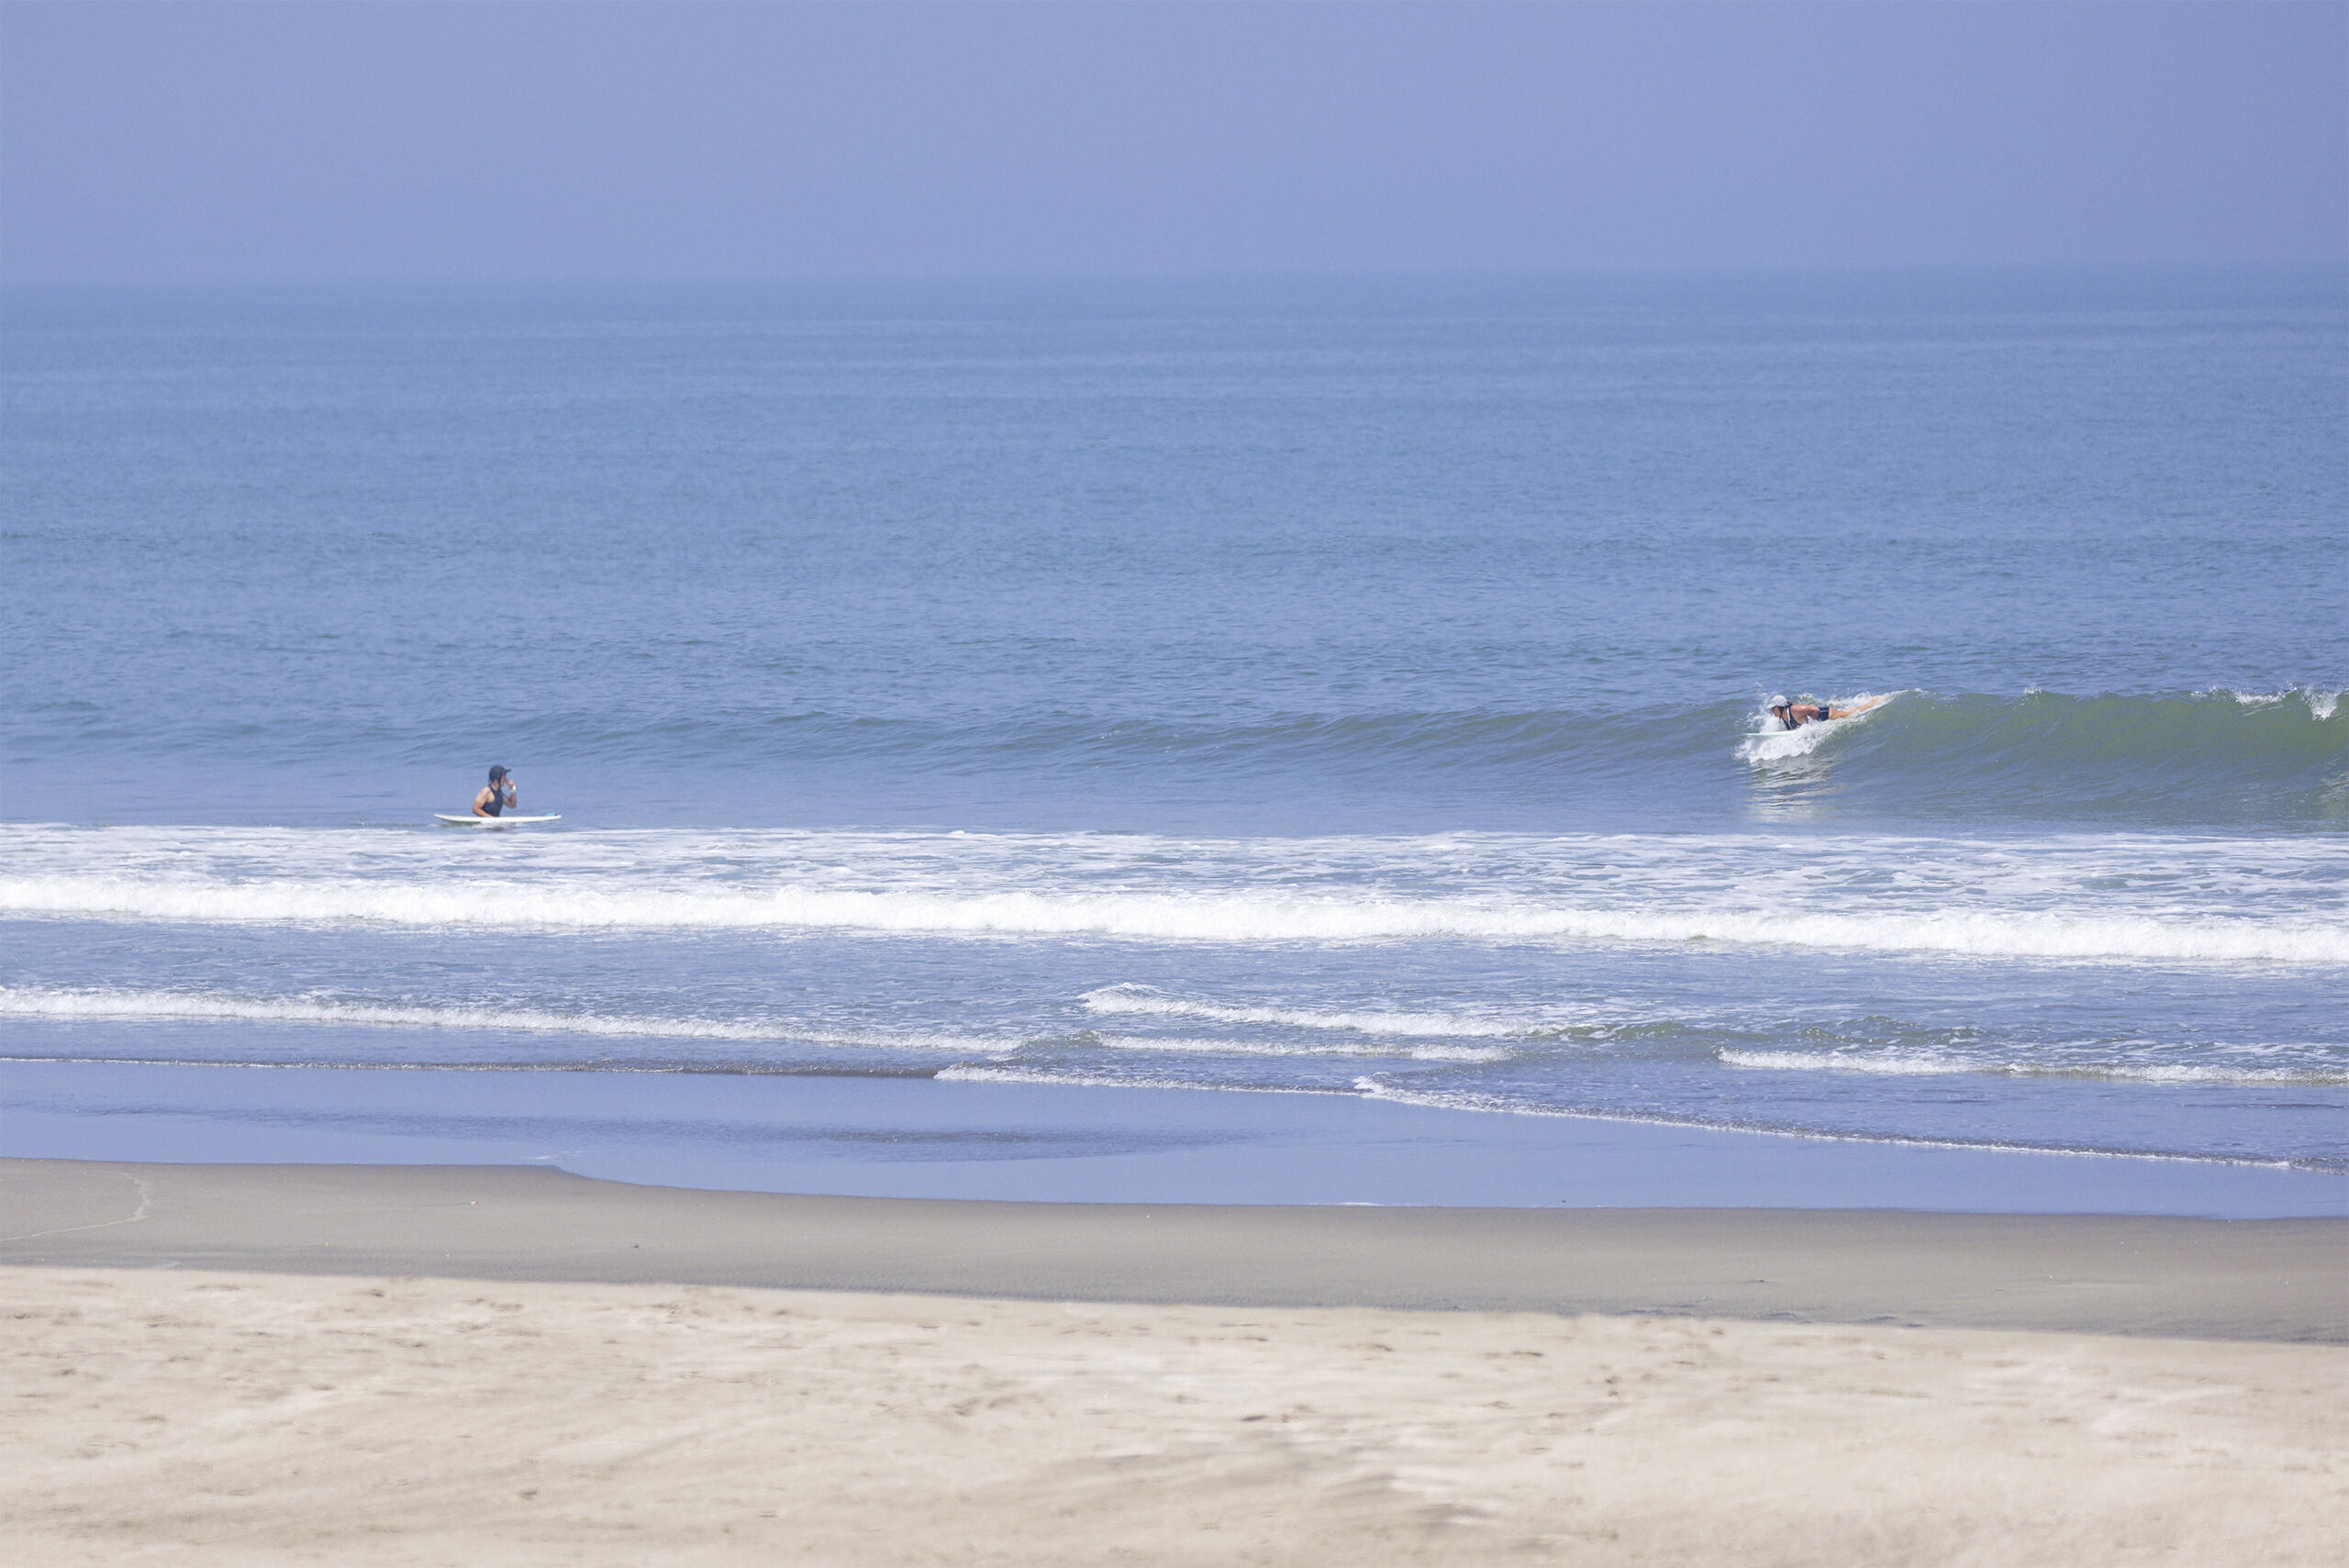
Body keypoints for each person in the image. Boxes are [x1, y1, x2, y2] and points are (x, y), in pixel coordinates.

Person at [1767, 696, 1877, 729]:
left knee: (1852, 713)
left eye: (1773, 708)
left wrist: (1813, 724)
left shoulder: (1794, 710)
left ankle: (1873, 702)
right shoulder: (1783, 717)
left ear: (1780, 707)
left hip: (1828, 715)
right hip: (1823, 717)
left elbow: (1814, 709)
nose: (1772, 711)